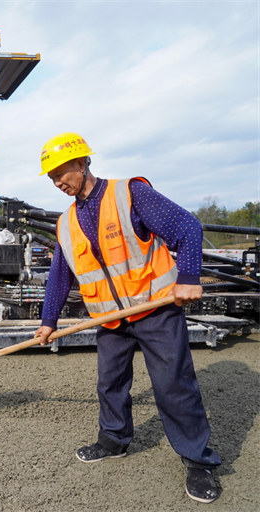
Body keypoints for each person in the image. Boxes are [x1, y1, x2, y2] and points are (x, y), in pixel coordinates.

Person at [33, 133, 221, 504]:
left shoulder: (129, 194)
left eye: (61, 173)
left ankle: (199, 461)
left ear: (82, 162)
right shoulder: (66, 221)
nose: (58, 183)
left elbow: (187, 226)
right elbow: (60, 274)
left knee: (173, 386)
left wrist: (188, 277)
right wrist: (48, 321)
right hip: (111, 319)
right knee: (111, 383)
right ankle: (113, 440)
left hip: (155, 310)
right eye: (51, 178)